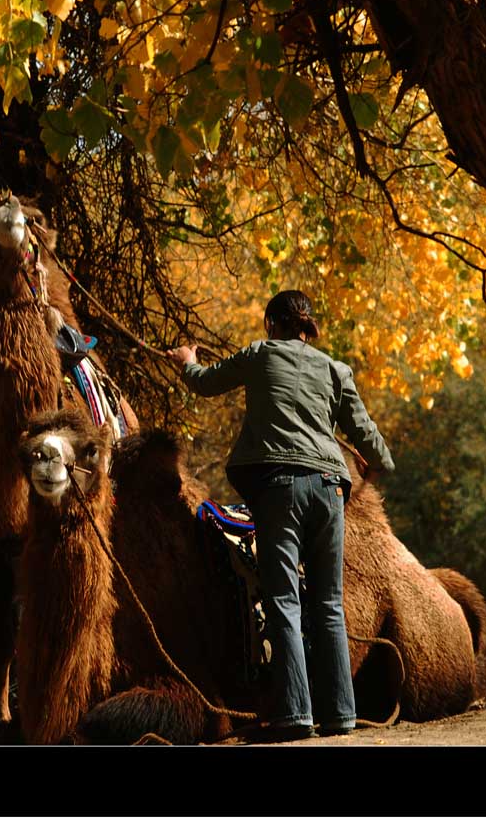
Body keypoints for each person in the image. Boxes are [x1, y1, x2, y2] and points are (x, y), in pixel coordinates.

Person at [167, 289, 394, 742]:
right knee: (328, 603)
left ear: (272, 323)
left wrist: (186, 360)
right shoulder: (335, 369)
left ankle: (295, 714)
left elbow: (206, 383)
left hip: (280, 489)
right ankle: (340, 715)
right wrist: (380, 462)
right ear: (307, 327)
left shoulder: (259, 354)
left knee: (285, 600)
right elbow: (365, 433)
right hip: (330, 490)